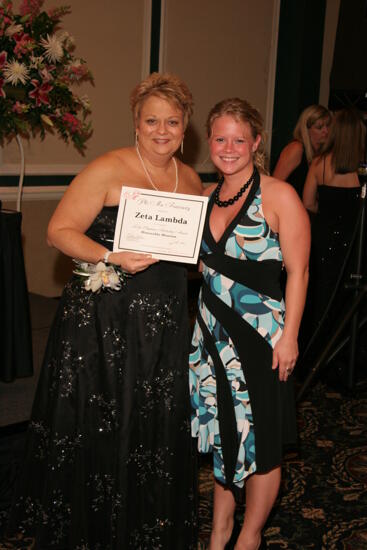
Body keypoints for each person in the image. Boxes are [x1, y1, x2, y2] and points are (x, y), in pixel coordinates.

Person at [6, 73, 202, 549]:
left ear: (185, 127)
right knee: (102, 417)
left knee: (152, 419)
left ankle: (142, 519)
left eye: (171, 122)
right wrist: (110, 256)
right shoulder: (107, 169)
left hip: (165, 321)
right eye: (151, 120)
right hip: (106, 321)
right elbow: (59, 231)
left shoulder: (192, 179)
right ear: (136, 123)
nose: (161, 130)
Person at [189, 98, 310, 550]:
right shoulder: (203, 198)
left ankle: (249, 536)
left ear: (256, 142)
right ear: (210, 142)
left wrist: (291, 337)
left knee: (262, 439)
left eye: (240, 139)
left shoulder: (279, 195)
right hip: (211, 335)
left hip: (262, 338)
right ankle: (219, 533)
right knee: (225, 431)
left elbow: (299, 271)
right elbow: (199, 266)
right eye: (220, 138)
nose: (229, 147)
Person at [302, 108, 365, 339]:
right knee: (350, 298)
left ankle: (318, 350)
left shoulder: (320, 163)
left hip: (324, 238)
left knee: (323, 294)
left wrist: (327, 212)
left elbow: (307, 202)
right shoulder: (363, 168)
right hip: (355, 241)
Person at [272, 104, 331, 197]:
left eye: (328, 126)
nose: (326, 131)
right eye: (319, 127)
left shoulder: (322, 154)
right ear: (306, 129)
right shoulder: (296, 148)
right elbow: (273, 185)